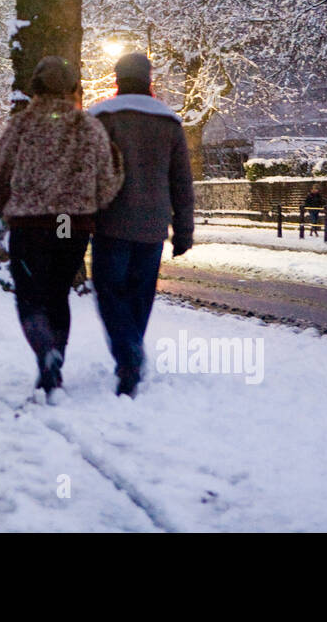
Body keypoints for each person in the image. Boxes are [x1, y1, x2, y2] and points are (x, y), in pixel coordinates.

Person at [0, 56, 123, 400]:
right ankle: (55, 358)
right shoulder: (89, 127)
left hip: (30, 225)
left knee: (30, 294)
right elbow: (106, 183)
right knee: (58, 293)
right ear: (75, 87)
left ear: (36, 88)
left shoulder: (21, 125)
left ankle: (45, 353)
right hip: (68, 225)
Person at [89, 53, 195, 398]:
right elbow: (181, 181)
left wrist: (69, 225)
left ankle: (127, 352)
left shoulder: (100, 117)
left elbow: (83, 174)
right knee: (140, 294)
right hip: (153, 226)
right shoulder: (169, 123)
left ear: (116, 78)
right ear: (149, 79)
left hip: (109, 222)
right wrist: (183, 230)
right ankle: (131, 350)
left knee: (109, 291)